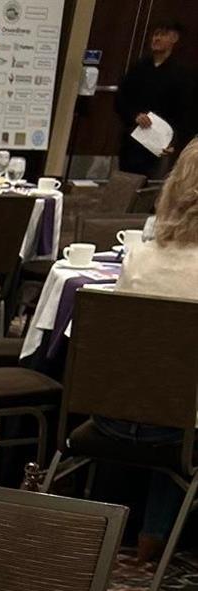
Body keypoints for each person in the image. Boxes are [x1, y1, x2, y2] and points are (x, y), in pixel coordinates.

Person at [98, 137, 198, 562]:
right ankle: (157, 534)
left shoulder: (136, 259)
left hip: (109, 415)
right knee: (182, 397)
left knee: (167, 385)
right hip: (178, 431)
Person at [115, 23, 193, 180]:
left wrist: (175, 142)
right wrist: (134, 115)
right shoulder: (139, 67)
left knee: (151, 183)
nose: (156, 38)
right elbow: (121, 99)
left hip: (160, 142)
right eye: (155, 34)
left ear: (174, 39)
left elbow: (186, 112)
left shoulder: (182, 74)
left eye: (162, 35)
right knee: (126, 180)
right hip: (133, 137)